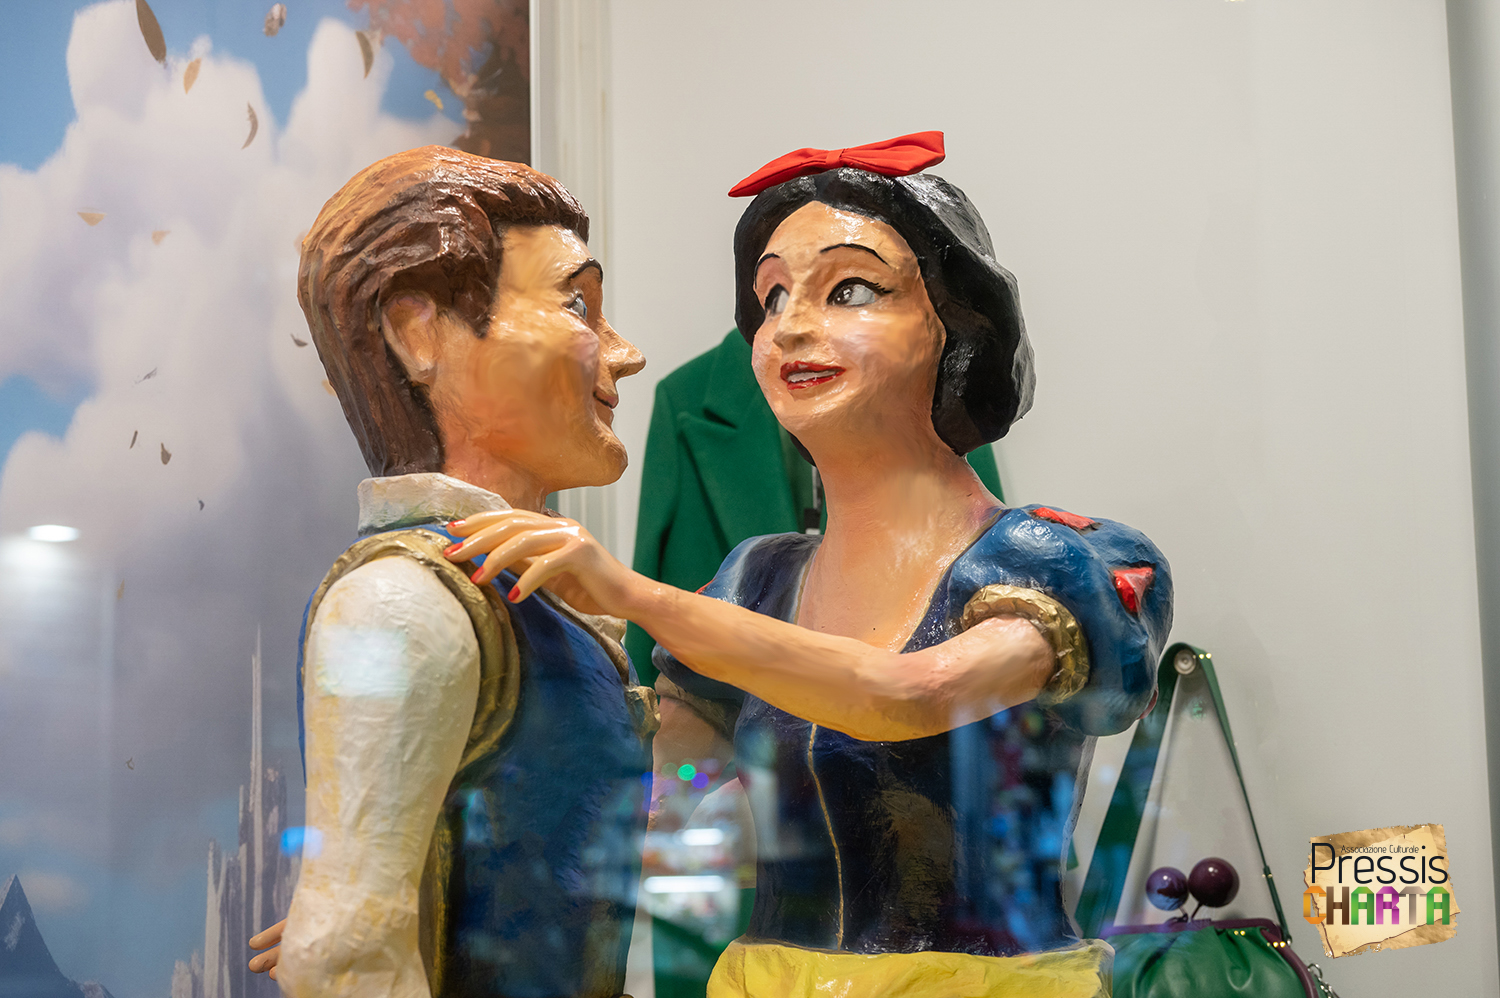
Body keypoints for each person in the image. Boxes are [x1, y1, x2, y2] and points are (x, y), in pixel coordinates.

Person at [445, 133, 1172, 997]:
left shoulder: (1060, 561)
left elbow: (910, 695)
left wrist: (635, 596)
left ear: (956, 323)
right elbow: (656, 807)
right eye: (773, 296)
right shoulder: (757, 581)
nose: (789, 326)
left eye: (851, 289)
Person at [247, 147, 656, 998]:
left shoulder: (517, 601)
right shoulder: (401, 601)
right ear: (418, 333)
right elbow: (342, 956)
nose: (626, 354)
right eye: (577, 304)